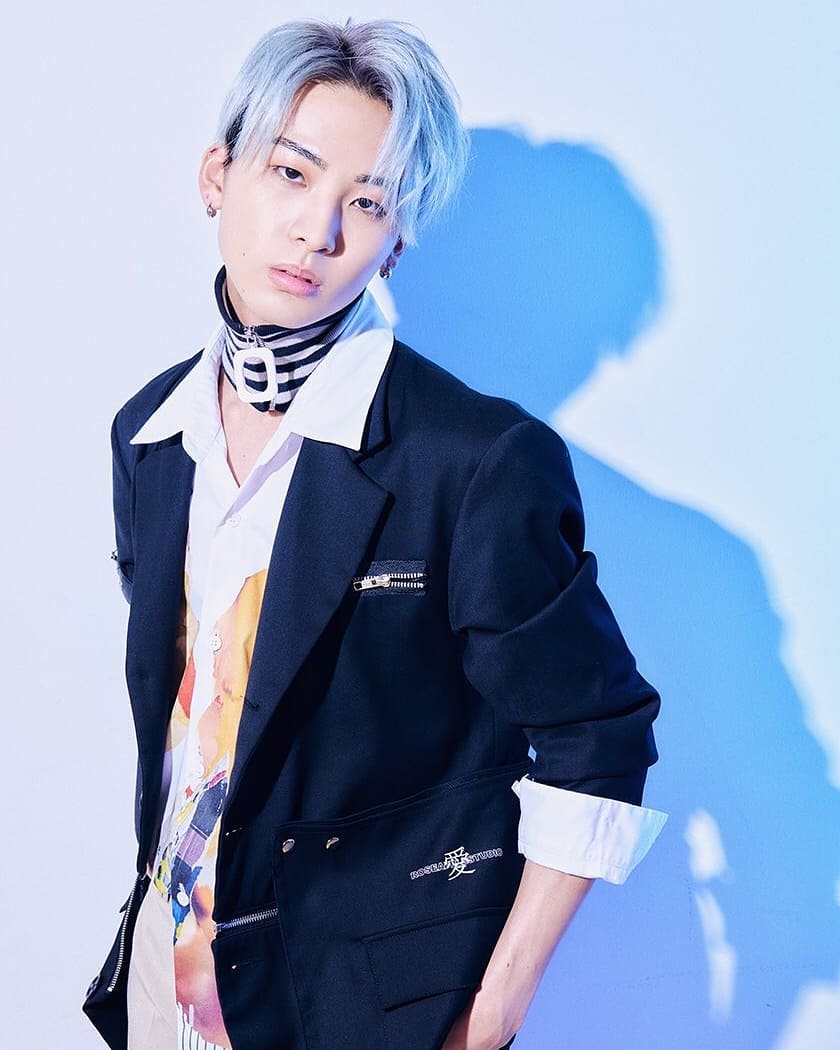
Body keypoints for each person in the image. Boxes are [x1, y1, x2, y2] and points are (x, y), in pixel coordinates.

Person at [83, 18, 667, 1050]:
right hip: (164, 985)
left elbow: (598, 737)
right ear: (218, 175)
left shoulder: (475, 459)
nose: (318, 230)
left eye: (367, 201)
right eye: (291, 173)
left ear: (398, 240)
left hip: (363, 1013)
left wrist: (489, 1018)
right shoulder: (150, 434)